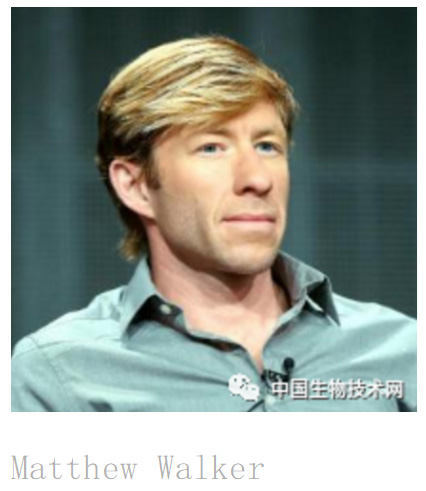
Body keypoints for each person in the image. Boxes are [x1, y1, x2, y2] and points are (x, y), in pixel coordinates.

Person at [11, 36, 416, 411]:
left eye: (267, 146)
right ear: (136, 186)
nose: (257, 178)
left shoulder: (403, 351)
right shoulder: (59, 376)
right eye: (211, 148)